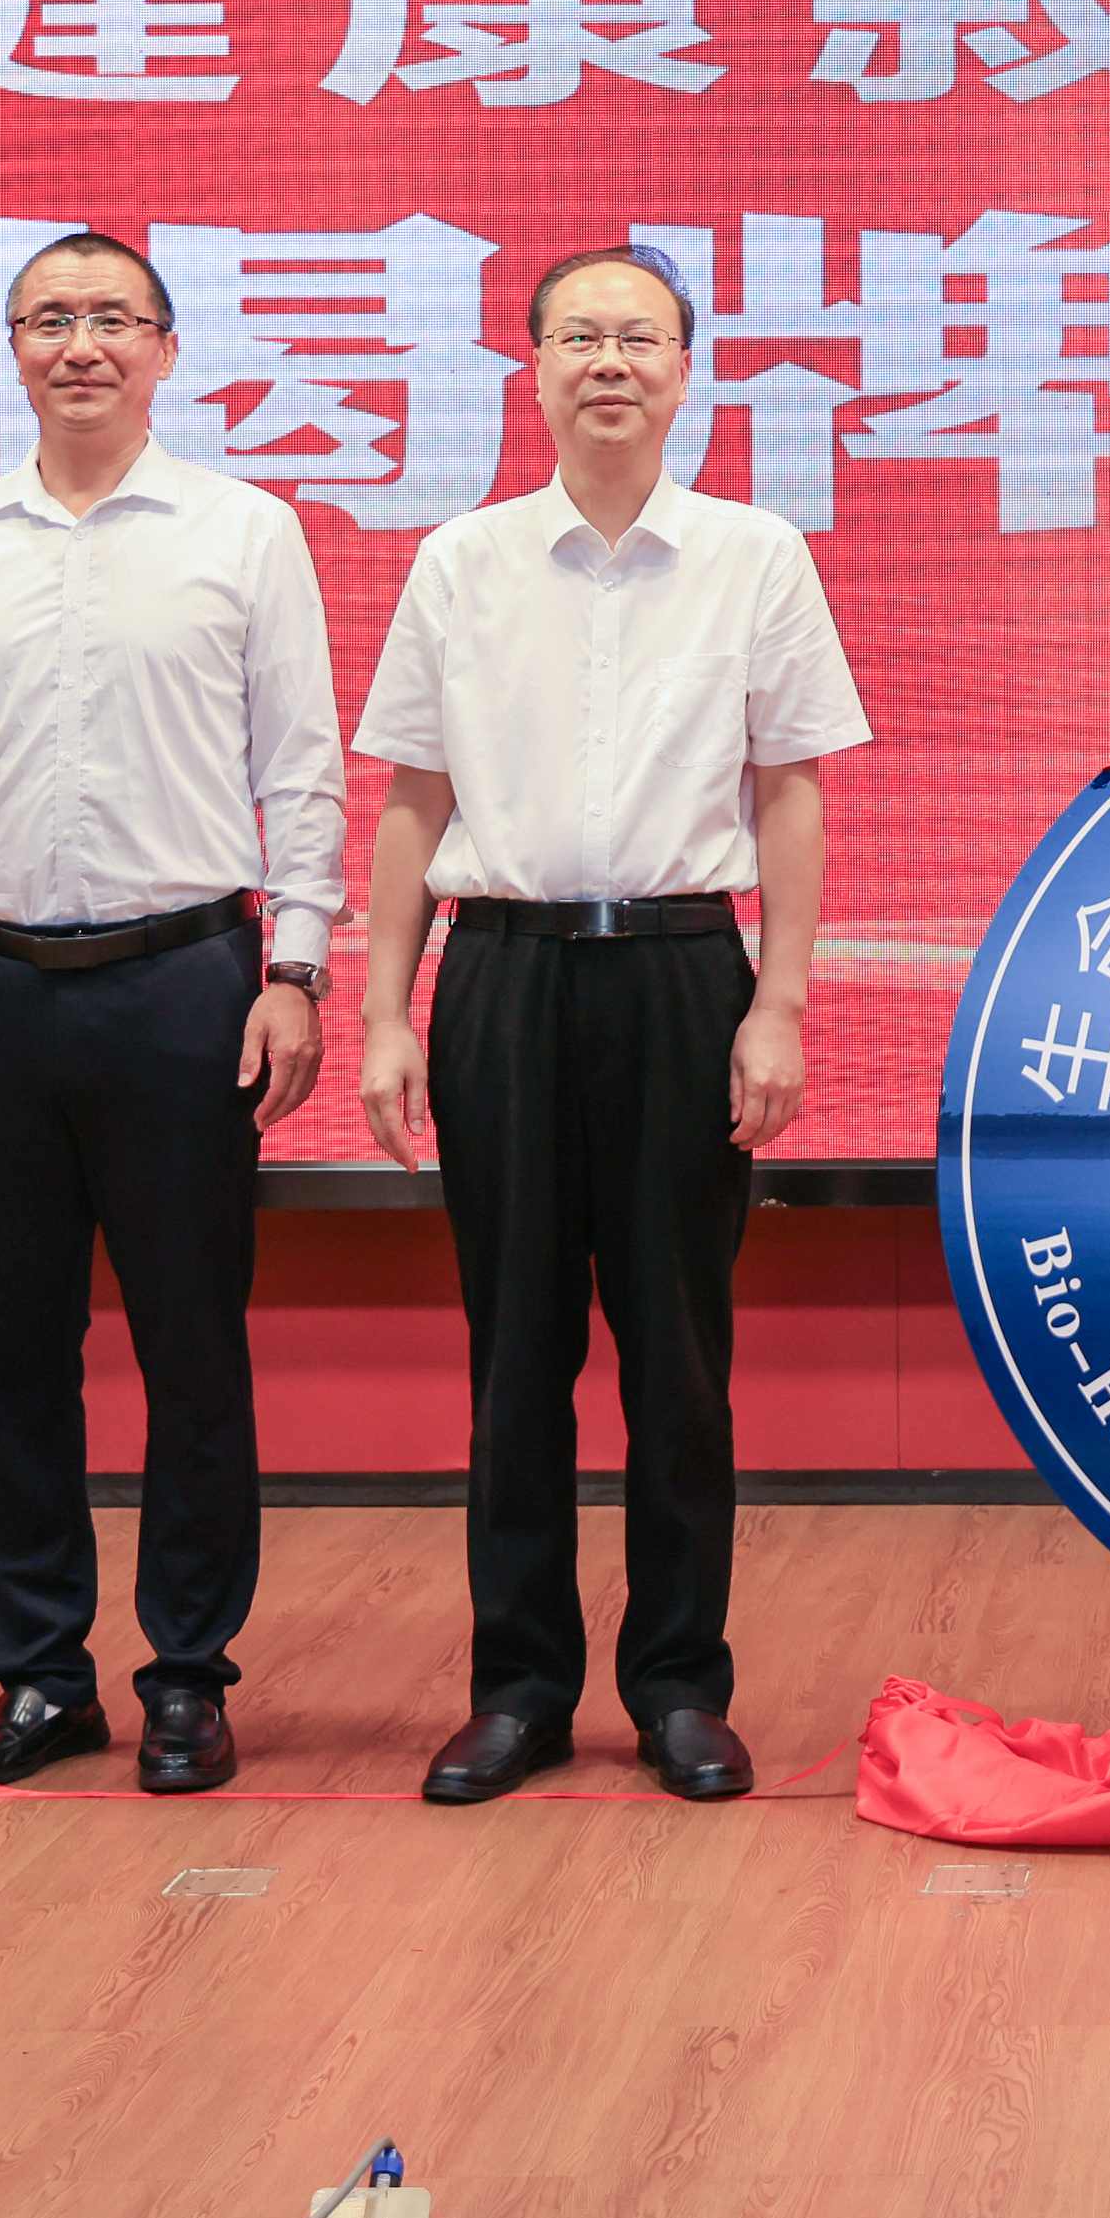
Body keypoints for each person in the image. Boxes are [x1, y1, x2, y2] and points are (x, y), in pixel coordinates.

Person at [357, 249, 866, 1807]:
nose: (609, 363)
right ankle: (516, 1690)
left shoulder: (754, 555)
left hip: (681, 974)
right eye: (578, 336)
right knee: (514, 1353)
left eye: (639, 338)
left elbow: (790, 790)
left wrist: (779, 1002)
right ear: (532, 368)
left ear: (685, 369)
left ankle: (679, 1688)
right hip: (501, 977)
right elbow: (413, 799)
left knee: (678, 1356)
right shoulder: (462, 559)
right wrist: (384, 1011)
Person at [0, 228, 344, 1797]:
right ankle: (40, 1676)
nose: (81, 343)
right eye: (49, 317)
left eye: (112, 318)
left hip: (185, 986)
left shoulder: (245, 530)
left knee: (193, 1349)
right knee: (12, 1355)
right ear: (11, 347)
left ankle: (189, 1675)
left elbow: (301, 767)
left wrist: (296, 968)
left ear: (166, 350)